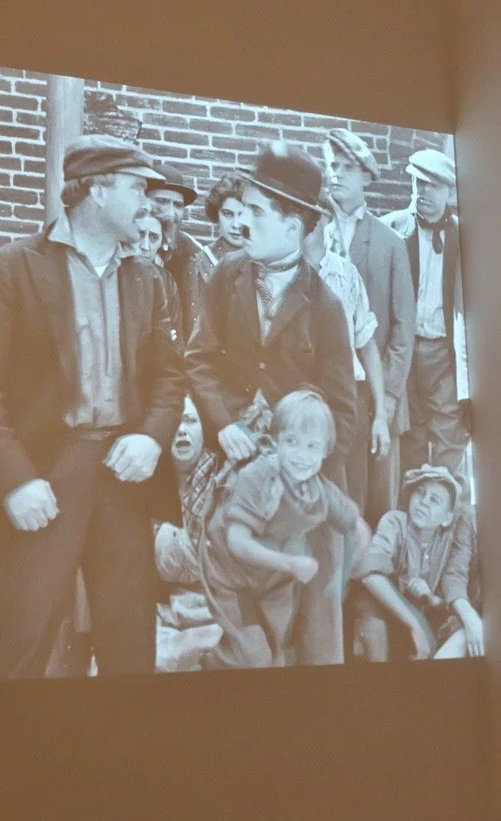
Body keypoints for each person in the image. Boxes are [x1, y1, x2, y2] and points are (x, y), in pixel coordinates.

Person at [0, 134, 187, 680]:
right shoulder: (16, 267)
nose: (148, 204)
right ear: (97, 191)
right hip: (46, 479)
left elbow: (170, 376)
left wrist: (151, 437)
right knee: (22, 644)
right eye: (137, 189)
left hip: (124, 477)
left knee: (130, 648)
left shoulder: (147, 275)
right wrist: (15, 481)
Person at [185, 140, 358, 666]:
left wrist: (301, 465)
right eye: (243, 209)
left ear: (294, 226)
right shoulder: (226, 276)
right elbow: (199, 359)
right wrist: (222, 425)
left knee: (313, 621)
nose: (242, 223)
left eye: (256, 212)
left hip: (303, 488)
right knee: (243, 618)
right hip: (238, 475)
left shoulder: (326, 307)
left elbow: (344, 414)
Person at [200, 390, 372, 669]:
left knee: (277, 653)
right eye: (291, 441)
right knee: (253, 655)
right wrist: (290, 563)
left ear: (326, 451)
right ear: (276, 441)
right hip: (231, 578)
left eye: (312, 446)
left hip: (272, 581)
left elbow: (356, 524)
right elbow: (237, 541)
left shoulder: (318, 489)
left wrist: (358, 556)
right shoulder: (258, 476)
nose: (301, 455)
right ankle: (209, 665)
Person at [322, 128, 416, 525]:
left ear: (366, 177)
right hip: (324, 389)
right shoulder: (312, 234)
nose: (336, 174)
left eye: (347, 167)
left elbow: (403, 329)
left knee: (376, 502)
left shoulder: (389, 242)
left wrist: (387, 398)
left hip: (373, 392)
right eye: (333, 166)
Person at [380, 149, 469, 475]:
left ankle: (444, 497)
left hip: (443, 352)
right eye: (420, 183)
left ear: (449, 191)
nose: (424, 192)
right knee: (409, 432)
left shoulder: (465, 236)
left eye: (434, 185)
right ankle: (410, 496)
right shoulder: (391, 229)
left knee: (449, 432)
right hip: (403, 349)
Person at [303, 192, 391, 504]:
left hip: (348, 399)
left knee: (351, 498)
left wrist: (380, 415)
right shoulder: (280, 273)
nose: (305, 225)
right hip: (300, 399)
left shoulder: (347, 275)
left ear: (325, 220)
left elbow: (367, 347)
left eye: (312, 216)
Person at [351, 465, 481, 660]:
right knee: (374, 623)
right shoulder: (395, 522)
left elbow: (448, 590)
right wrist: (416, 624)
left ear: (447, 518)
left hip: (418, 617)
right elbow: (370, 576)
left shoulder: (447, 541)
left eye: (434, 500)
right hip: (385, 612)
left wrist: (431, 599)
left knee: (446, 637)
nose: (423, 502)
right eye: (420, 492)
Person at [152, 397, 224, 672]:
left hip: (213, 613)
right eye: (174, 422)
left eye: (191, 421)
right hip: (162, 613)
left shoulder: (222, 479)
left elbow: (199, 562)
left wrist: (162, 540)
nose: (181, 430)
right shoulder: (148, 483)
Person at [146, 165, 205, 343]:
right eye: (161, 201)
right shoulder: (123, 243)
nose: (171, 214)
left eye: (178, 205)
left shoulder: (191, 252)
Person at [188, 173, 246, 298]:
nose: (236, 225)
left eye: (242, 215)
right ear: (217, 214)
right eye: (228, 214)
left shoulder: (265, 260)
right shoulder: (202, 261)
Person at [135, 211, 185, 349]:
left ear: (162, 243)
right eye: (140, 234)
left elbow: (177, 337)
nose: (145, 246)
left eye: (153, 237)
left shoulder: (166, 280)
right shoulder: (115, 274)